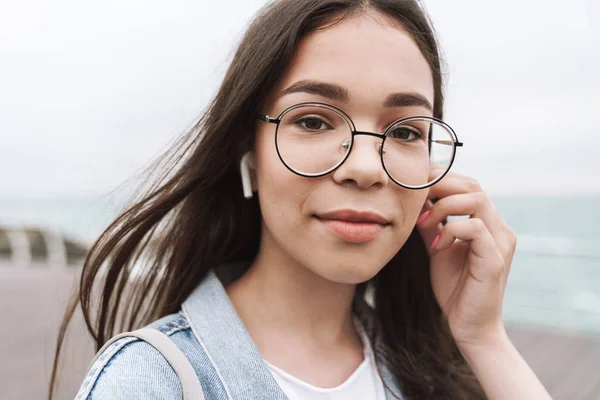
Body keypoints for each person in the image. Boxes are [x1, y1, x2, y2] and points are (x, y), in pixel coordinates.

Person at [51, 0, 552, 399]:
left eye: (404, 131)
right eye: (313, 121)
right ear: (248, 153)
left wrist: (485, 340)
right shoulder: (152, 382)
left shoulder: (424, 372)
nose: (364, 167)